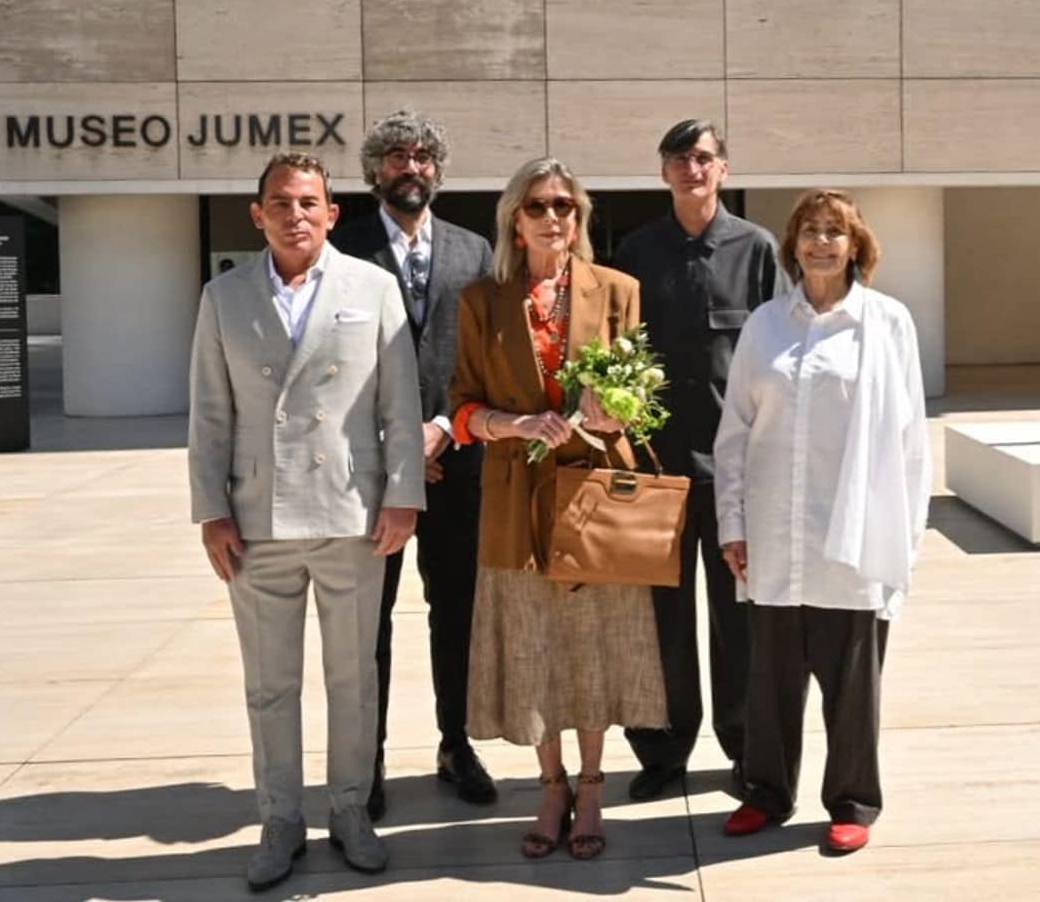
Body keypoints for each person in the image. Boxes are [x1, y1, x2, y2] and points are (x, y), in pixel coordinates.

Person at [188, 151, 425, 891]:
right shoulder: (222, 296)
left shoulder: (373, 287)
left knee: (354, 677)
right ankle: (280, 819)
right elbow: (209, 413)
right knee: (270, 683)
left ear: (331, 213)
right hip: (257, 520)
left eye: (309, 202)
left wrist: (402, 495)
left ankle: (351, 811)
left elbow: (400, 406)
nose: (296, 215)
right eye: (281, 203)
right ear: (258, 214)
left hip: (352, 514)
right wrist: (211, 511)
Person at [448, 156, 668, 861]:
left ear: (581, 219)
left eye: (566, 206)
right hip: (518, 499)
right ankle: (550, 785)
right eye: (539, 205)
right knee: (535, 645)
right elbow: (460, 408)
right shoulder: (481, 300)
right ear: (515, 218)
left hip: (596, 496)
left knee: (595, 646)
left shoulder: (619, 291)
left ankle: (594, 786)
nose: (553, 217)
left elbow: (641, 402)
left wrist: (614, 415)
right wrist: (511, 425)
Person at [714, 189, 931, 853]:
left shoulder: (887, 323)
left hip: (852, 538)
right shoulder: (765, 326)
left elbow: (909, 438)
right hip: (776, 534)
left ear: (856, 245)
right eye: (810, 231)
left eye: (835, 232)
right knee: (770, 682)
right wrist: (733, 524)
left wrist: (905, 542)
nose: (821, 243)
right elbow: (736, 433)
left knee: (851, 684)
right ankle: (766, 793)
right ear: (793, 244)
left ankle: (852, 802)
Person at [614, 119, 784, 801]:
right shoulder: (635, 252)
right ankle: (662, 752)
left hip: (736, 474)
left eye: (704, 158)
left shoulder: (759, 249)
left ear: (724, 168)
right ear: (663, 172)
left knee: (739, 621)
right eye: (680, 159)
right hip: (656, 471)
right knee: (661, 621)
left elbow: (781, 358)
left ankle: (744, 749)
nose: (693, 168)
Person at [334, 109, 495, 819]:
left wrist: (438, 430)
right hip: (368, 472)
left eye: (424, 157)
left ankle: (455, 743)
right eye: (397, 157)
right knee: (368, 621)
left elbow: (486, 357)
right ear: (375, 172)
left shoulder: (473, 249)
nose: (413, 168)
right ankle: (364, 762)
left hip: (457, 463)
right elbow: (330, 366)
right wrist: (397, 444)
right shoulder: (339, 246)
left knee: (456, 611)